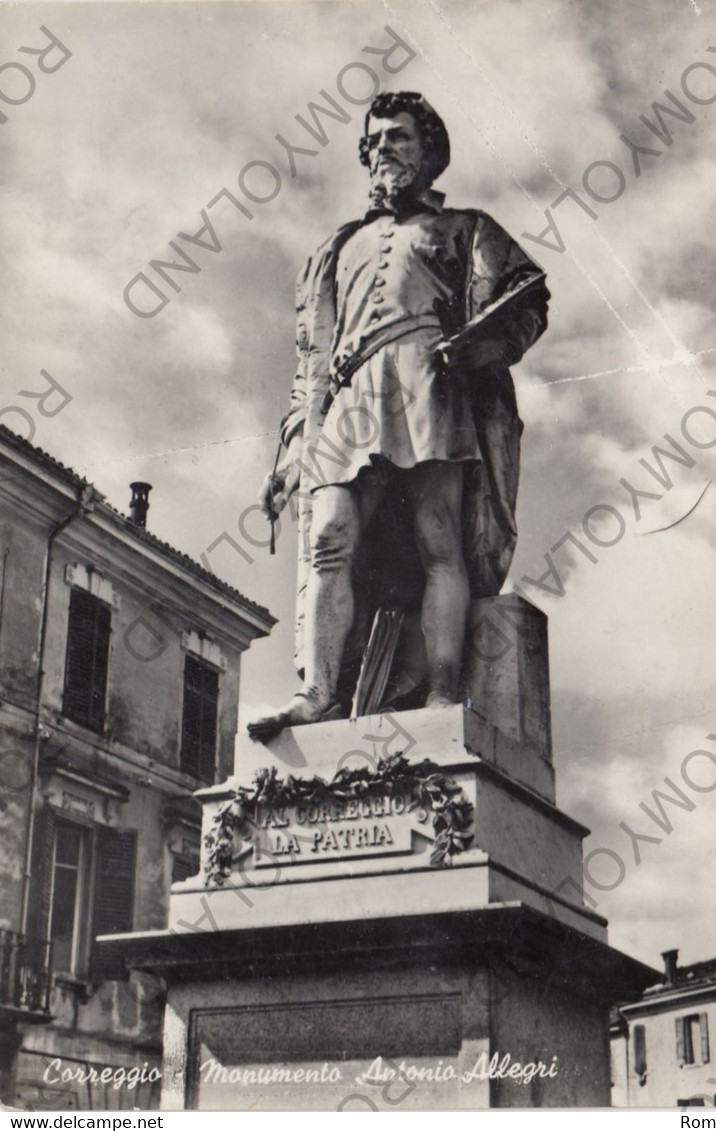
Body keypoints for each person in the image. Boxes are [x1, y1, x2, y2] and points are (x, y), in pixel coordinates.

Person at [249, 91, 549, 741]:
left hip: (431, 381)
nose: (384, 149)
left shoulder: (468, 228)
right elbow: (311, 360)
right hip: (352, 396)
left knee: (439, 535)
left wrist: (479, 347)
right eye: (375, 139)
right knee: (328, 536)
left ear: (430, 152)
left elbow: (526, 305)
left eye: (400, 137)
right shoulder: (338, 247)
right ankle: (319, 691)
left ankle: (443, 692)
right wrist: (293, 450)